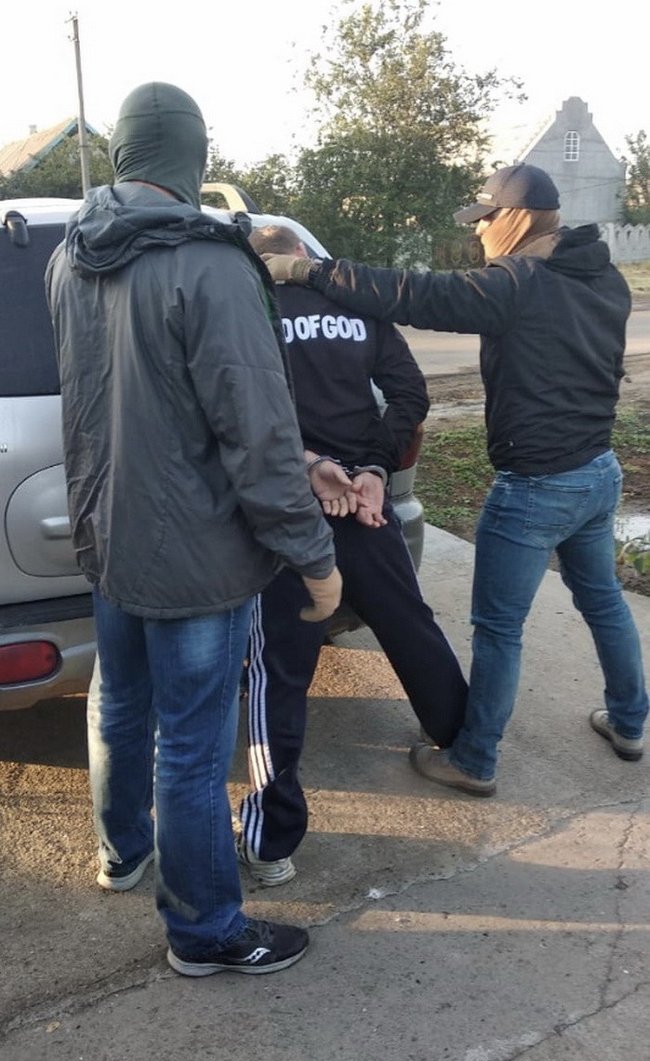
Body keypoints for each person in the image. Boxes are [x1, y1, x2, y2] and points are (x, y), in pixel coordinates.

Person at [45, 82, 344, 978]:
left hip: (110, 535)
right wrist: (315, 558)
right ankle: (205, 931)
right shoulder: (210, 266)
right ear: (192, 155)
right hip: (197, 560)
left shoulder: (69, 256)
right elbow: (258, 432)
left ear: (126, 152)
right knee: (190, 744)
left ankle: (122, 852)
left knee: (118, 703)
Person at [261, 164, 649, 798]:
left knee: (498, 628)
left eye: (486, 220)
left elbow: (420, 295)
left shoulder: (519, 281)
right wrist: (376, 465)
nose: (480, 234)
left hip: (534, 486)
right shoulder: (603, 276)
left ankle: (474, 758)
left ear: (514, 217)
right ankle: (630, 722)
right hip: (597, 471)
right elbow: (407, 383)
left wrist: (311, 273)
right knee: (602, 600)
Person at [236, 224, 468, 886]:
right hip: (364, 501)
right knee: (409, 623)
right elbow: (410, 394)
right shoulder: (355, 304)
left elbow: (243, 413)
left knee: (279, 670)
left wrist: (313, 465)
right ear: (303, 256)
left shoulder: (248, 311)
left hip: (289, 507)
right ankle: (465, 745)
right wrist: (371, 468)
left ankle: (271, 843)